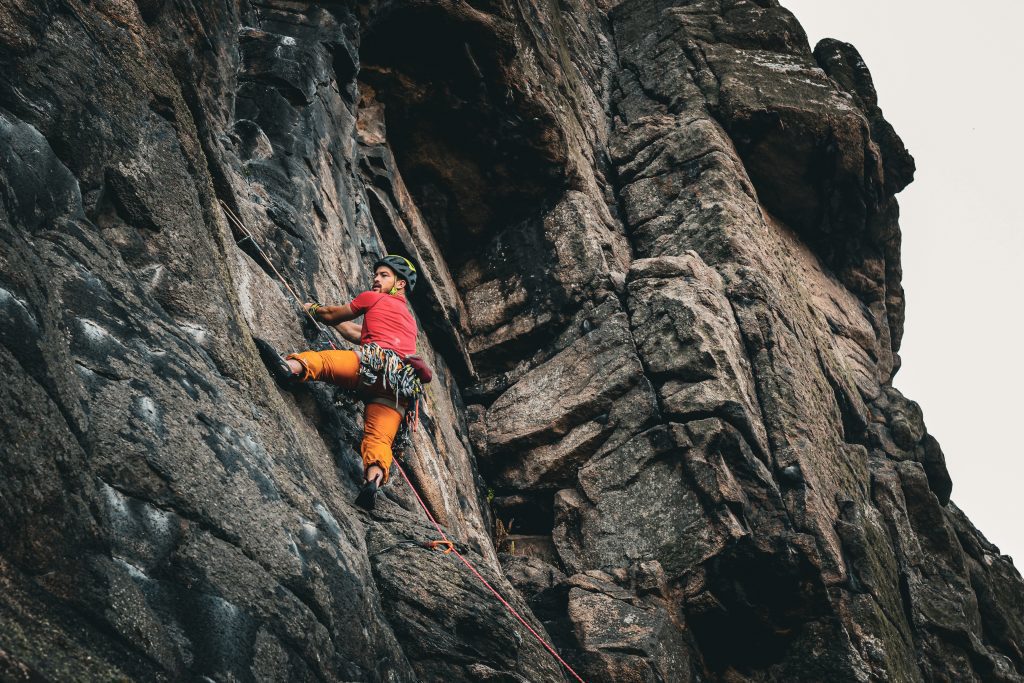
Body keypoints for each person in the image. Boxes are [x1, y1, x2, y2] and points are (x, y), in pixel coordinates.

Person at [254, 255, 429, 510]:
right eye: (376, 274)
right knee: (379, 439)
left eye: (383, 275)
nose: (375, 279)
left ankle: (288, 368)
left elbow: (334, 314)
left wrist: (314, 310)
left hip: (374, 365)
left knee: (324, 362)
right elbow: (354, 332)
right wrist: (334, 322)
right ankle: (373, 480)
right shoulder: (409, 323)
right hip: (399, 388)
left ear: (399, 284)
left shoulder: (374, 298)